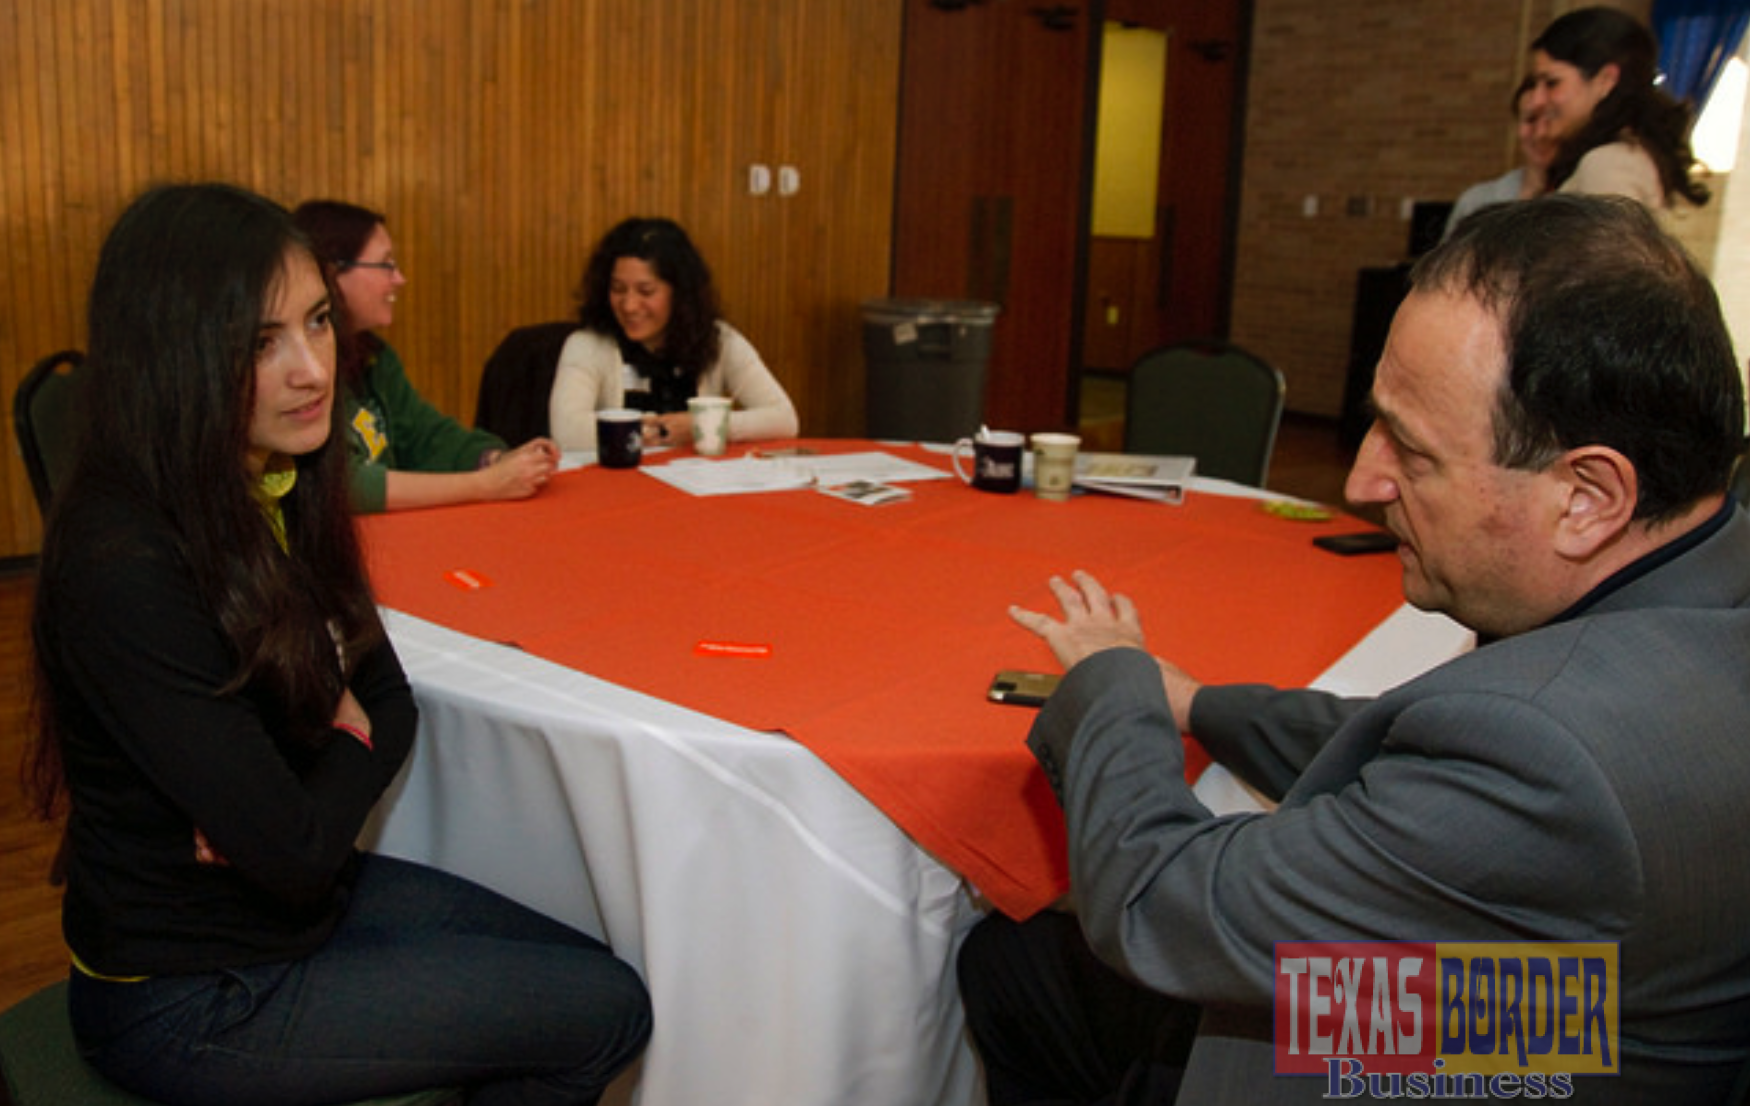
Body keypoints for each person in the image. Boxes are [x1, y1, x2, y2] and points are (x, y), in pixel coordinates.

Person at [957, 194, 1750, 1104]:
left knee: (1018, 961)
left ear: (1587, 496)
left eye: (1411, 453)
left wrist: (1114, 678)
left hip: (1505, 1048)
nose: (1361, 480)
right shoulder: (1703, 586)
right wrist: (1200, 704)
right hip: (1589, 1011)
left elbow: (1158, 904)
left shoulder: (1553, 756)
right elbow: (1415, 751)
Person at [27, 182, 651, 1105]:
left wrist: (301, 770)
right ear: (172, 356)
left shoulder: (275, 482)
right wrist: (337, 738)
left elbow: (387, 700)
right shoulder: (124, 556)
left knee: (595, 974)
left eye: (317, 322)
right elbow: (298, 843)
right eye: (256, 343)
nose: (313, 369)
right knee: (604, 1009)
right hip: (189, 994)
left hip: (285, 917)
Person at [291, 200, 560, 512]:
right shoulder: (307, 372)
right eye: (386, 265)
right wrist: (485, 485)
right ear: (332, 273)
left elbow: (426, 436)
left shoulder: (375, 357)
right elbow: (344, 484)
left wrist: (494, 459)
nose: (399, 279)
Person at [548, 216, 799, 452]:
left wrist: (701, 425)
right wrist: (650, 432)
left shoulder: (719, 340)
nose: (629, 305)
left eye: (645, 291)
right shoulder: (587, 345)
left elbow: (784, 419)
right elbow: (567, 432)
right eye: (618, 289)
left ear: (680, 294)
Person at [1525, 6, 1710, 212]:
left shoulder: (1609, 164)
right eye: (1535, 85)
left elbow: (1610, 244)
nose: (1537, 101)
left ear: (1606, 79)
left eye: (1552, 83)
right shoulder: (1625, 155)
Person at [1441, 75, 1557, 238]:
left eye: (1551, 119)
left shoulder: (1586, 195)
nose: (1541, 133)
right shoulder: (1477, 202)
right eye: (1530, 120)